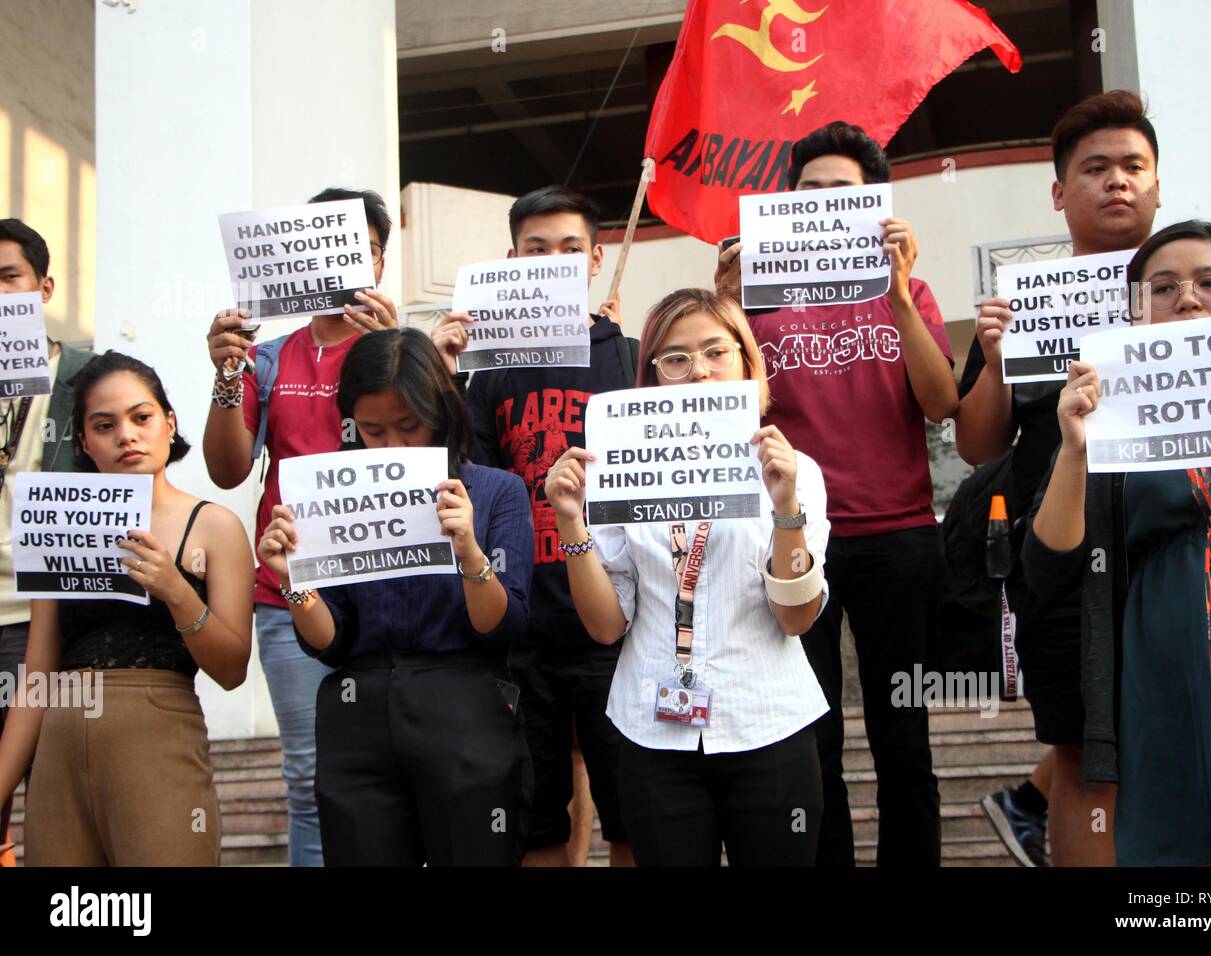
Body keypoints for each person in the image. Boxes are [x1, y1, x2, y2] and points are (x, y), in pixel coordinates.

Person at [1024, 221, 1211, 867]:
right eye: (1164, 287)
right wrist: (1073, 447)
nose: (1189, 299)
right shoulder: (1105, 413)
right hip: (1167, 656)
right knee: (1197, 848)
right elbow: (1049, 566)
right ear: (1134, 313)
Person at [714, 121, 953, 866]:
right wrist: (729, 307)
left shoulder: (911, 290)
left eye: (841, 192)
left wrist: (900, 298)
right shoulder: (755, 298)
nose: (823, 202)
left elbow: (942, 401)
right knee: (810, 742)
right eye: (808, 191)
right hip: (794, 540)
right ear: (788, 202)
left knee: (904, 741)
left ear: (874, 202)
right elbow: (723, 413)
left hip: (902, 536)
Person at [545, 288, 829, 866]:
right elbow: (604, 627)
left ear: (748, 363)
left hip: (767, 722)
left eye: (715, 352)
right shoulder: (620, 478)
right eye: (674, 358)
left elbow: (796, 616)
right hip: (653, 729)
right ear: (652, 376)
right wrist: (570, 520)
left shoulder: (794, 471)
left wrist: (785, 507)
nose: (697, 371)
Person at [955, 90, 1161, 866]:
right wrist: (998, 358)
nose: (1117, 182)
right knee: (1082, 757)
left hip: (1171, 557)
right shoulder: (1021, 307)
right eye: (1096, 167)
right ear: (1058, 192)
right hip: (1060, 567)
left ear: (1158, 185)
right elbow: (979, 447)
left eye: (1134, 167)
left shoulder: (1195, 290)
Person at [256, 328, 534, 866]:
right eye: (373, 429)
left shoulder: (496, 491)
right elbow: (330, 642)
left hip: (465, 711)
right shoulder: (333, 498)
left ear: (443, 411)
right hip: (358, 714)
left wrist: (470, 553)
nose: (393, 446)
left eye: (410, 425)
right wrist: (293, 582)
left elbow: (503, 627)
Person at [202, 187, 398, 867]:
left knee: (392, 773)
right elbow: (227, 469)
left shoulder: (397, 347)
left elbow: (431, 457)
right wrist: (228, 375)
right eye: (327, 245)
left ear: (378, 265)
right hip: (286, 592)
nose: (347, 265)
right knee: (309, 779)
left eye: (364, 250)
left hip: (386, 588)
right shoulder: (267, 356)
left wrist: (397, 358)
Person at [0, 352, 254, 865]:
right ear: (84, 443)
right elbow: (38, 674)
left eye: (142, 417)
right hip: (60, 740)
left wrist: (177, 590)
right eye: (105, 424)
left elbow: (231, 670)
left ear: (169, 423)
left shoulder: (215, 525)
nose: (127, 435)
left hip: (158, 736)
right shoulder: (63, 522)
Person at [452, 185, 635, 867]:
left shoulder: (629, 357)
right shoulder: (486, 374)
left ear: (595, 257)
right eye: (536, 251)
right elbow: (464, 483)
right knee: (535, 823)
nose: (552, 262)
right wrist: (445, 367)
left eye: (568, 249)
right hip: (522, 635)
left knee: (630, 816)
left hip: (614, 629)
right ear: (511, 261)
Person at [0, 218, 96, 860]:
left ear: (43, 287)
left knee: (58, 805)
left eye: (8, 279)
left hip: (44, 618)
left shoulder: (89, 377)